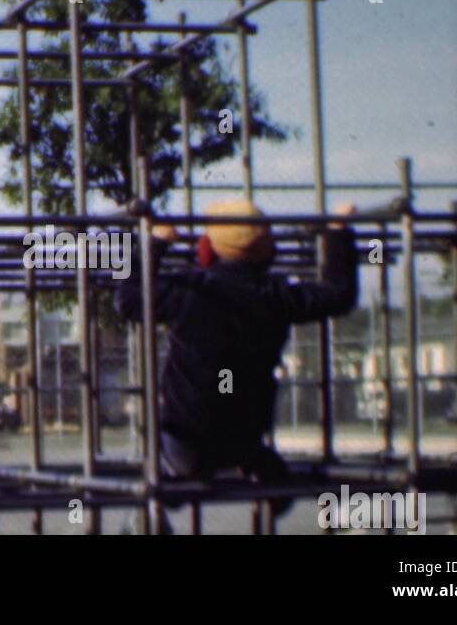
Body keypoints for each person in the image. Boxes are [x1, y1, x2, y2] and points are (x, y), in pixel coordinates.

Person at [114, 198, 359, 517]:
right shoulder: (278, 295)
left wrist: (155, 243)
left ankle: (154, 507)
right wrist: (338, 231)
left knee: (158, 478)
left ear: (207, 250)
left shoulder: (192, 291)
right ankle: (263, 475)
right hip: (243, 440)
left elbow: (127, 298)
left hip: (187, 443)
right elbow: (338, 295)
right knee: (238, 419)